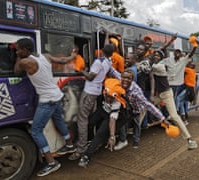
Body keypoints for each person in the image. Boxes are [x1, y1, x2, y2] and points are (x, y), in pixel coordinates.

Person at [14, 38, 76, 177]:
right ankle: (70, 145)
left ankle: (52, 162)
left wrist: (17, 56)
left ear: (25, 50)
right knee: (59, 120)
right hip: (56, 95)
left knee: (36, 131)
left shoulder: (25, 61)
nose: (17, 51)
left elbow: (17, 71)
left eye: (18, 49)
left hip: (47, 100)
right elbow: (62, 61)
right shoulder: (45, 56)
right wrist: (72, 55)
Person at [68, 44, 114, 161]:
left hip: (89, 92)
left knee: (82, 119)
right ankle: (88, 140)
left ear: (102, 51)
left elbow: (90, 77)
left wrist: (82, 70)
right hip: (96, 92)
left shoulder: (99, 62)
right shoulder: (109, 61)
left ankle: (81, 148)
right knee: (88, 117)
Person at [150, 50, 198, 150]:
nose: (156, 57)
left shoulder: (160, 66)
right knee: (144, 106)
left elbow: (153, 66)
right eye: (155, 55)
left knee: (174, 116)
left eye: (158, 56)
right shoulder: (163, 63)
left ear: (162, 59)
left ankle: (189, 139)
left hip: (167, 94)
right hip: (159, 95)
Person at [78, 78, 131, 167]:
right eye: (107, 96)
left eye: (111, 98)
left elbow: (112, 120)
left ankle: (86, 156)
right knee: (90, 122)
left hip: (112, 115)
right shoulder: (104, 92)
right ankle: (91, 141)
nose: (108, 99)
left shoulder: (117, 103)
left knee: (100, 134)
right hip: (103, 110)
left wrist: (112, 136)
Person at [111, 69, 166, 150]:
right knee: (123, 122)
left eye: (128, 78)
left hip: (137, 109)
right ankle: (123, 140)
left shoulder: (136, 92)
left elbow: (148, 105)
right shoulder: (122, 79)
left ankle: (136, 140)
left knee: (137, 124)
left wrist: (162, 118)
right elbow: (113, 71)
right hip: (128, 108)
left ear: (132, 80)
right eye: (124, 78)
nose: (125, 80)